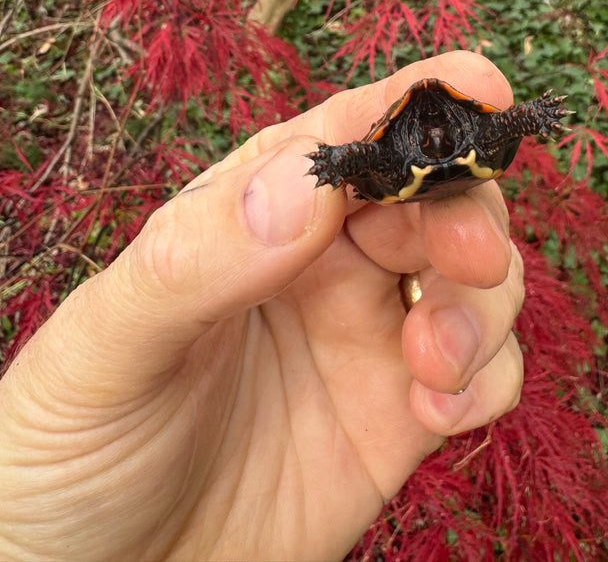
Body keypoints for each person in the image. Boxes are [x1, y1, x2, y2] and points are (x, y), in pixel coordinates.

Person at [0, 52, 524, 562]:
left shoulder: (477, 132)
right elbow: (366, 154)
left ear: (461, 129)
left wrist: (531, 117)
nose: (435, 139)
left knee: (470, 274)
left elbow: (506, 124)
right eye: (427, 135)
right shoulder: (392, 152)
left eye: (444, 132)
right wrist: (340, 160)